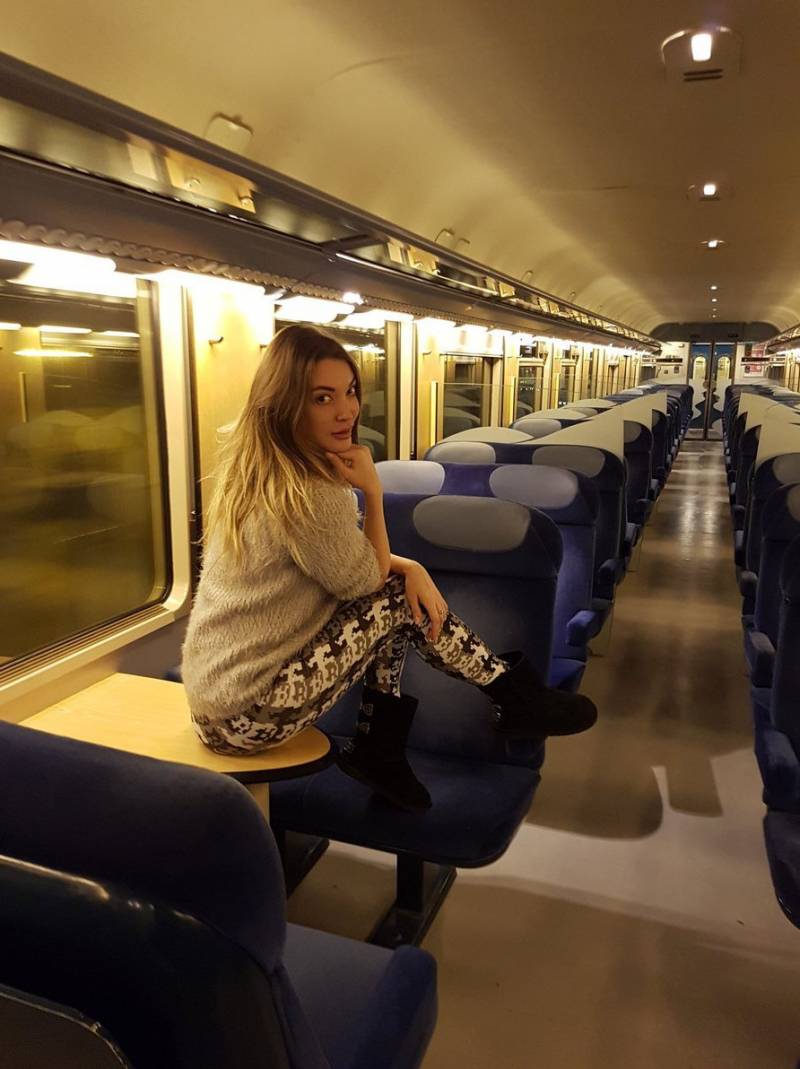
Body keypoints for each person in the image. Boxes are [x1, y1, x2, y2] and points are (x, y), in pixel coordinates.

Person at [181, 325, 597, 813]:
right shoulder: (312, 494)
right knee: (398, 599)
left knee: (398, 597)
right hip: (251, 714)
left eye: (350, 391)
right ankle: (510, 694)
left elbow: (337, 560)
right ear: (287, 405)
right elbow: (367, 581)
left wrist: (409, 564)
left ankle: (385, 748)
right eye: (322, 398)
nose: (346, 410)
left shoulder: (257, 475)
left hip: (213, 703)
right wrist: (373, 494)